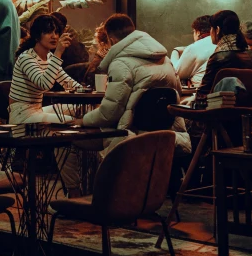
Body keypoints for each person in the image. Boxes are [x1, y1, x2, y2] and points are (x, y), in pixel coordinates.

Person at [81, 13, 190, 154]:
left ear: (112, 40)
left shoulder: (120, 64)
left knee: (69, 139)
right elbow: (177, 93)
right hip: (166, 134)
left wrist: (83, 121)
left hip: (129, 136)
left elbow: (110, 113)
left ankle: (100, 176)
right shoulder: (166, 60)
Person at [9, 14, 83, 197]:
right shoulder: (27, 58)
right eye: (48, 32)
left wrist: (87, 92)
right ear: (37, 36)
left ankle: (79, 184)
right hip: (22, 114)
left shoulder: (49, 58)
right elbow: (44, 83)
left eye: (56, 32)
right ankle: (74, 188)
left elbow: (68, 82)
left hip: (37, 110)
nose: (54, 36)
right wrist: (58, 54)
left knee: (80, 110)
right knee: (67, 121)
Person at [196, 10, 252, 101]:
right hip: (249, 111)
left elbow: (202, 94)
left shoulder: (218, 58)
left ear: (217, 30)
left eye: (211, 28)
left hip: (218, 112)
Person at [172, 15, 216, 89]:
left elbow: (175, 73)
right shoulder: (221, 44)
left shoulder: (194, 47)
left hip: (200, 93)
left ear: (198, 32)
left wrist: (175, 51)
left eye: (193, 32)